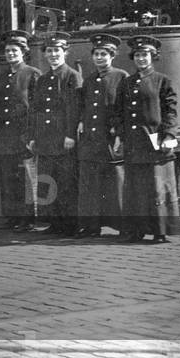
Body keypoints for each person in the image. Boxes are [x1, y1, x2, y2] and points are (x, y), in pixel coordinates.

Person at [112, 35, 180, 244]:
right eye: (138, 55)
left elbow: (170, 111)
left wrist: (169, 135)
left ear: (153, 56)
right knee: (135, 187)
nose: (142, 59)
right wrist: (121, 135)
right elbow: (119, 112)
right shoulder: (127, 82)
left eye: (146, 55)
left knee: (156, 186)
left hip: (155, 142)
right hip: (134, 142)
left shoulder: (162, 80)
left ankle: (159, 230)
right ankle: (136, 230)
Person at [28, 31, 82, 236]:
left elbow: (74, 108)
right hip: (45, 138)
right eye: (49, 51)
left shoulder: (71, 76)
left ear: (65, 53)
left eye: (57, 51)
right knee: (49, 180)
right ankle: (54, 222)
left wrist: (70, 135)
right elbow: (36, 110)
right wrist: (33, 136)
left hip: (63, 139)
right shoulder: (43, 79)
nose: (53, 55)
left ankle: (69, 224)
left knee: (66, 182)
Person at [75, 33, 127, 238]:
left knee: (116, 184)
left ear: (112, 56)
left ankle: (123, 226)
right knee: (90, 185)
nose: (99, 58)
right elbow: (85, 106)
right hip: (91, 140)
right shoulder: (89, 80)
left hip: (110, 139)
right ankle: (91, 226)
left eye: (104, 54)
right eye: (96, 54)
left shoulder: (121, 76)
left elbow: (124, 108)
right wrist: (81, 121)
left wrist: (119, 133)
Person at [0, 30, 40, 231]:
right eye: (8, 51)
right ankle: (11, 216)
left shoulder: (31, 74)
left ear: (24, 52)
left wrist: (31, 135)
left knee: (24, 180)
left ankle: (26, 219)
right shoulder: (2, 77)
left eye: (15, 51)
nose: (11, 54)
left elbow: (35, 108)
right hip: (5, 136)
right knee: (7, 178)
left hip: (23, 136)